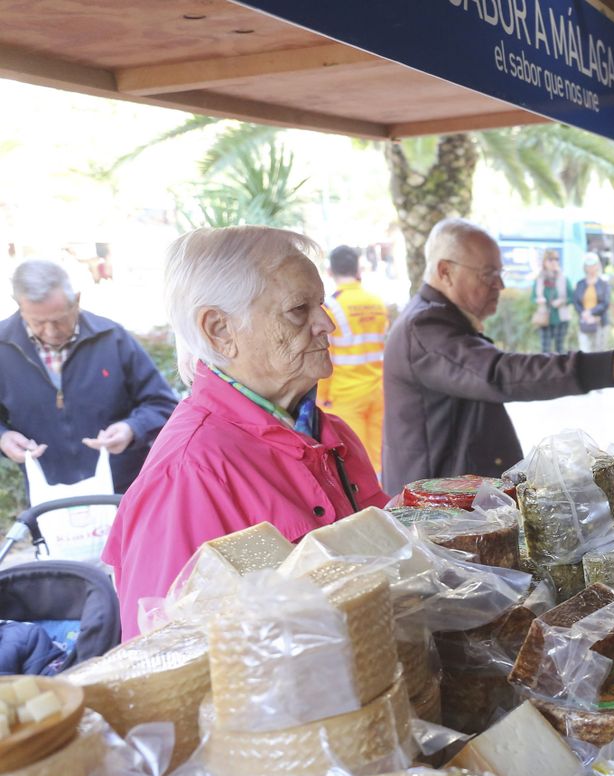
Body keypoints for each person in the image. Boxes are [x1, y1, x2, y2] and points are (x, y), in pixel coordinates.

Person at [101, 227, 388, 638]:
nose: (327, 324)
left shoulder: (329, 432)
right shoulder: (189, 473)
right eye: (298, 309)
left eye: (321, 304)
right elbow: (164, 659)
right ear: (220, 329)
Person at [382, 219, 614, 492]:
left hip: (454, 502)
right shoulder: (425, 328)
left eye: (500, 274)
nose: (500, 286)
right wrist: (610, 367)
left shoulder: (439, 321)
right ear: (445, 271)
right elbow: (498, 374)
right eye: (488, 275)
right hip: (436, 512)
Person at [0, 259, 177, 494]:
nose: (51, 332)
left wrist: (131, 428)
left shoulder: (112, 338)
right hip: (49, 494)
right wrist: (3, 438)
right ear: (20, 307)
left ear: (77, 300)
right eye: (38, 322)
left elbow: (163, 403)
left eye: (59, 319)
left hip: (124, 491)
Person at [319, 244, 389, 477]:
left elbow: (324, 353)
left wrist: (323, 398)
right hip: (378, 390)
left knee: (357, 462)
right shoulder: (377, 303)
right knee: (378, 457)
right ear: (358, 268)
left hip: (346, 394)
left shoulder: (331, 307)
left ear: (330, 271)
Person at [533, 248, 573, 351]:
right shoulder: (539, 279)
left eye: (556, 259)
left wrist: (562, 301)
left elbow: (572, 297)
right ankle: (546, 367)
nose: (554, 262)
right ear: (544, 262)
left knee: (560, 348)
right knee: (545, 348)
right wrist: (539, 300)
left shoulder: (564, 278)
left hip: (561, 317)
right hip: (544, 318)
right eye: (550, 259)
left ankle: (559, 367)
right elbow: (533, 297)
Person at [573, 252, 612, 354]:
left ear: (598, 266)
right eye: (588, 266)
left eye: (593, 265)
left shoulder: (603, 283)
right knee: (585, 351)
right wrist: (584, 314)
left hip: (600, 322)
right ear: (585, 267)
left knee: (600, 352)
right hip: (585, 322)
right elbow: (576, 302)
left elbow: (605, 303)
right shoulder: (580, 284)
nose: (591, 268)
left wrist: (591, 313)